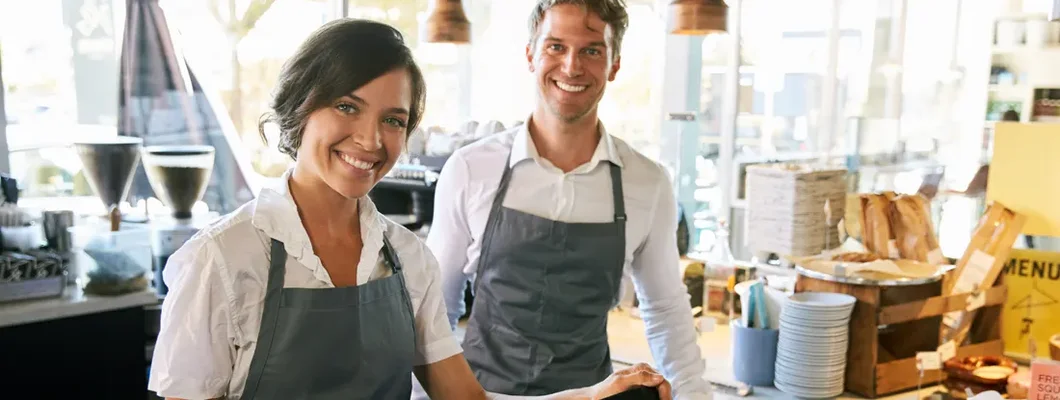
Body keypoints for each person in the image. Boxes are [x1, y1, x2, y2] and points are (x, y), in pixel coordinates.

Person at [147, 19, 672, 400]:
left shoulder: (406, 261)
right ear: (301, 107)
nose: (371, 139)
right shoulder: (220, 262)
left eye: (394, 120)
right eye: (347, 106)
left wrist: (591, 397)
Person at [426, 1, 712, 399]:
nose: (572, 66)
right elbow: (435, 309)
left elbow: (666, 311)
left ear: (614, 64)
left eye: (592, 50)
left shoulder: (647, 183)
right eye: (555, 47)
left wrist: (695, 394)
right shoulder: (471, 169)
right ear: (531, 55)